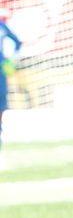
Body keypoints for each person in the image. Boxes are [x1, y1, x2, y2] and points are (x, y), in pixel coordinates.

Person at [0, 14, 22, 154]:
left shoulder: (2, 25)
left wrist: (11, 61)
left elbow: (17, 42)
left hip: (0, 71)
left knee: (1, 106)